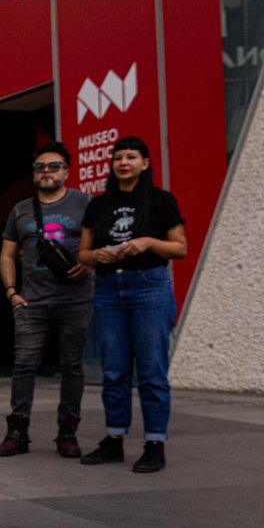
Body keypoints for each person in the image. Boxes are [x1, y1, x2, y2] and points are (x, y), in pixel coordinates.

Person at [78, 136, 186, 473]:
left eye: (131, 157)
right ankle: (114, 440)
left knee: (152, 370)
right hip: (109, 288)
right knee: (114, 370)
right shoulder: (98, 205)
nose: (124, 162)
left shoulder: (161, 200)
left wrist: (150, 242)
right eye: (118, 157)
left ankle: (155, 443)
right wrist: (96, 255)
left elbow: (180, 248)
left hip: (149, 287)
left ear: (145, 163)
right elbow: (83, 254)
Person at [0, 142, 93, 458]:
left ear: (66, 171)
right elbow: (7, 255)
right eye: (40, 167)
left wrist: (89, 264)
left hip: (75, 300)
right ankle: (17, 432)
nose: (46, 172)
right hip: (31, 302)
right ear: (34, 173)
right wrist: (12, 292)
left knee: (72, 366)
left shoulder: (85, 204)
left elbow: (101, 245)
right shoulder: (21, 210)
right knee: (24, 366)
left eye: (53, 166)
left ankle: (68, 433)